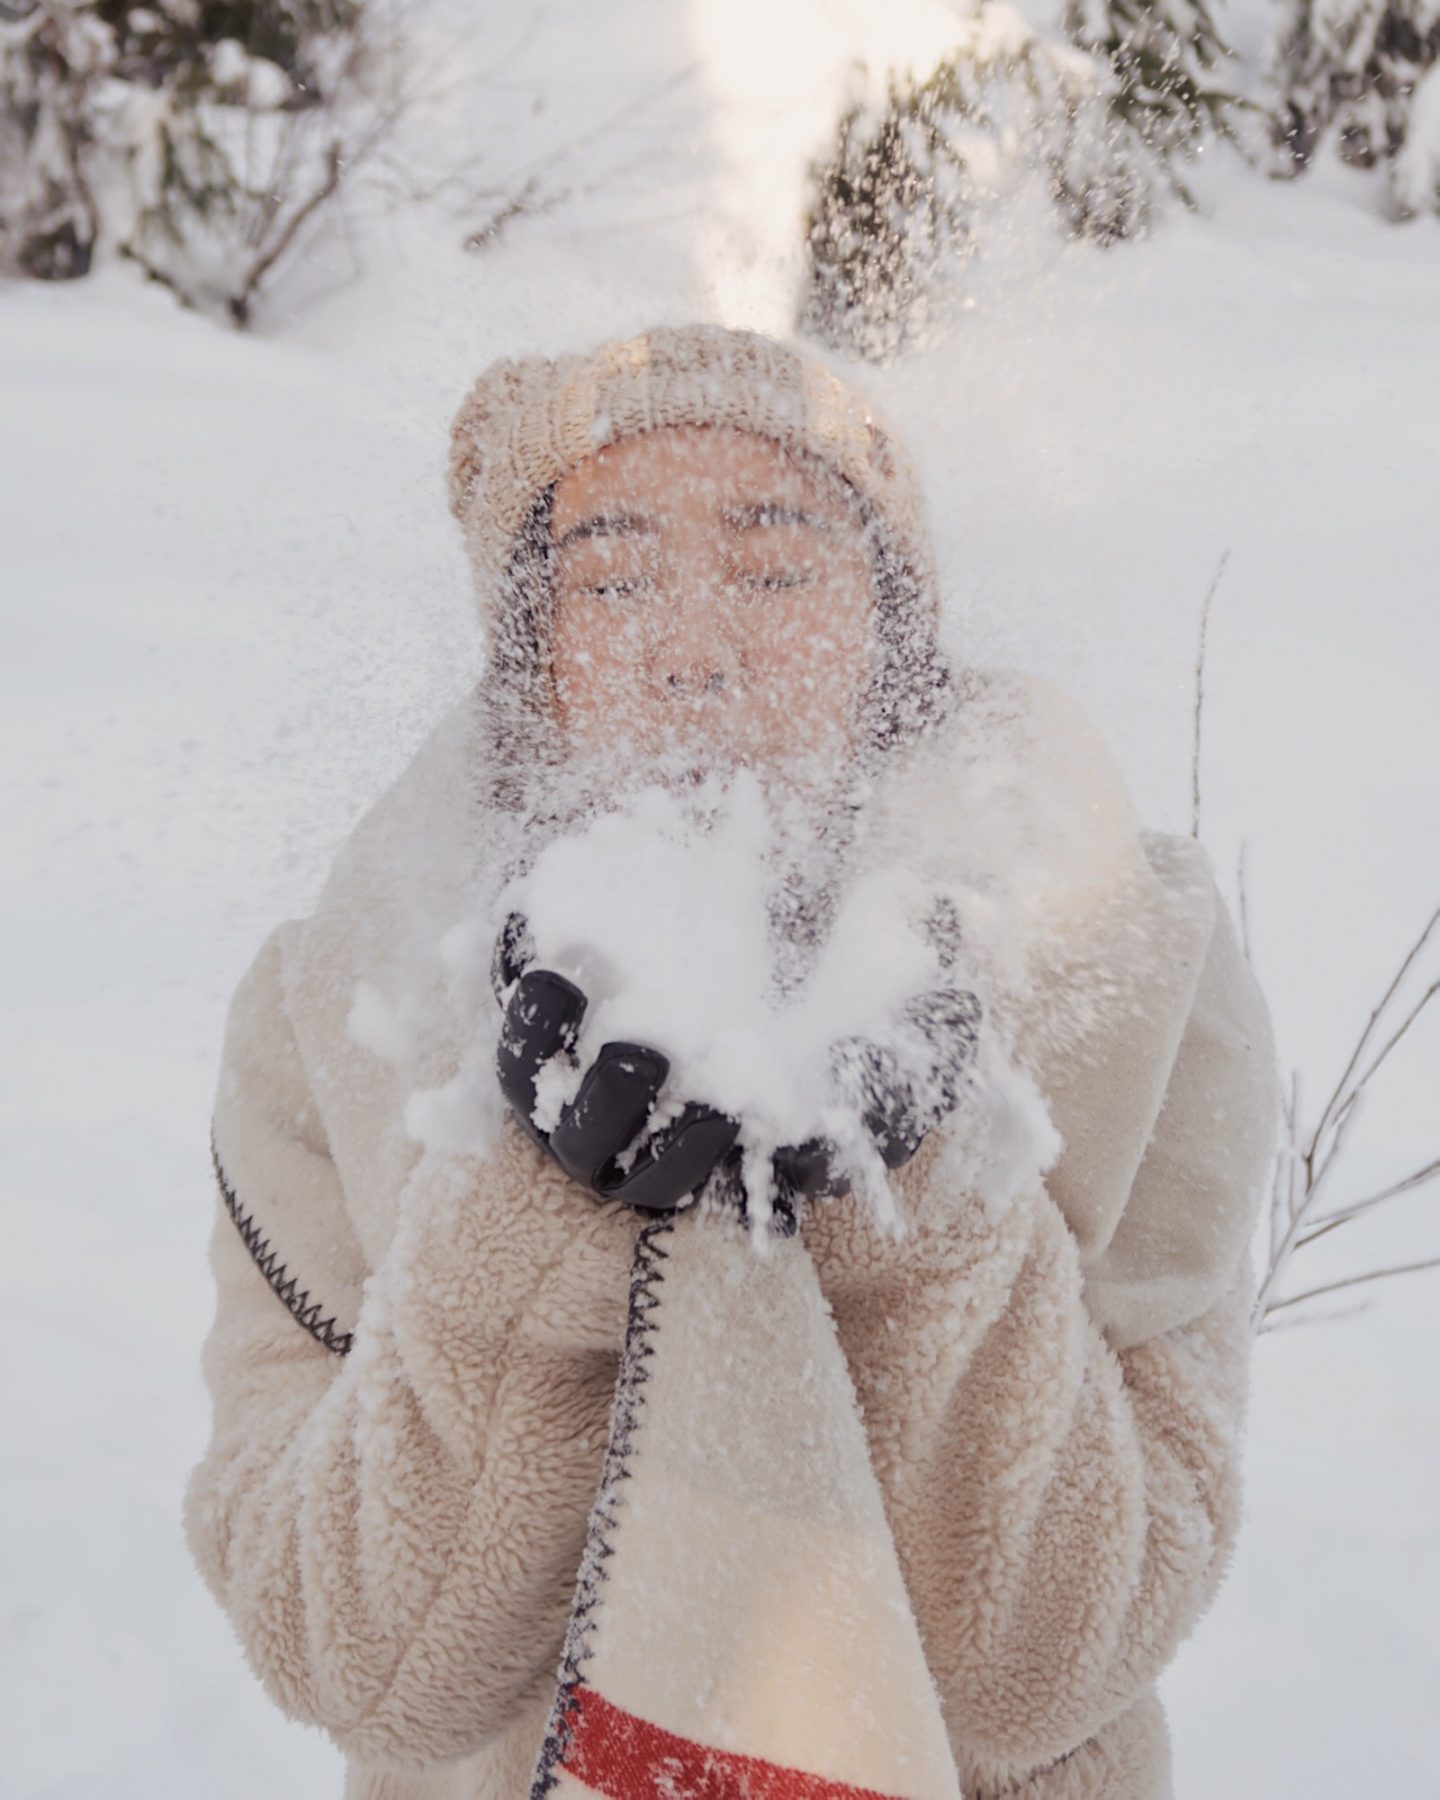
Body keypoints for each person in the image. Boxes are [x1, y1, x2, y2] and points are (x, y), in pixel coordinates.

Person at [182, 323, 1281, 1799]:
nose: (694, 652)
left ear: (894, 628)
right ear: (531, 657)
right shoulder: (351, 1020)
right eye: (613, 579)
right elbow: (355, 1668)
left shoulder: (1117, 979)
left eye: (776, 571)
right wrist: (521, 1233)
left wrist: (931, 1204)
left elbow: (1048, 1667)